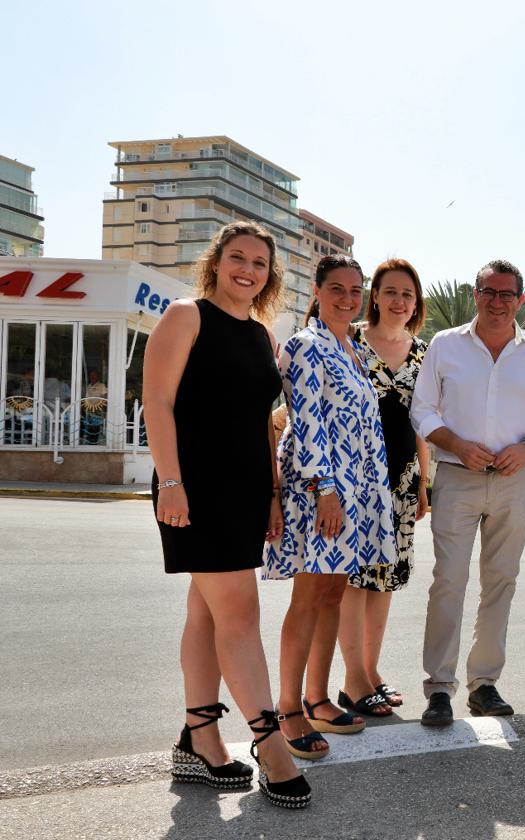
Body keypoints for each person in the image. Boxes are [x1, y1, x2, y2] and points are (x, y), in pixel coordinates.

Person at [143, 221, 309, 808]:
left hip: (244, 493)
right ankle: (270, 743)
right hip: (193, 489)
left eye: (260, 263)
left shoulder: (262, 335)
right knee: (239, 612)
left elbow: (263, 420)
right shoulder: (186, 315)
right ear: (216, 261)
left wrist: (270, 494)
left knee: (207, 614)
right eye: (238, 257)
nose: (248, 269)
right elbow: (156, 402)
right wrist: (170, 482)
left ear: (270, 274)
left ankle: (200, 737)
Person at [410, 258, 525, 725]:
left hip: (513, 481)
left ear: (520, 299)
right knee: (449, 582)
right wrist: (455, 444)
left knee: (501, 582)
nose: (498, 303)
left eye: (507, 294)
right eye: (489, 292)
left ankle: (484, 685)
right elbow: (423, 409)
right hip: (456, 477)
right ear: (475, 294)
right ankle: (439, 688)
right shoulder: (445, 345)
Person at [264, 254, 397, 760]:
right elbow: (309, 419)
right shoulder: (305, 345)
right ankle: (287, 707)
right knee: (309, 597)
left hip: (354, 491)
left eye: (355, 289)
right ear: (316, 291)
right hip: (323, 490)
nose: (347, 297)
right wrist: (326, 489)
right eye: (337, 288)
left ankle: (317, 697)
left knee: (332, 597)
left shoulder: (350, 347)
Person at [337, 259, 430, 716]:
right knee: (354, 581)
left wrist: (424, 485)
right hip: (354, 480)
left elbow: (423, 423)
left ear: (416, 303)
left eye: (407, 294)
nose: (399, 301)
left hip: (402, 480)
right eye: (390, 291)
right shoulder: (348, 340)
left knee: (384, 582)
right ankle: (353, 681)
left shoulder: (423, 352)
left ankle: (370, 673)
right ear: (374, 295)